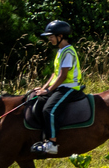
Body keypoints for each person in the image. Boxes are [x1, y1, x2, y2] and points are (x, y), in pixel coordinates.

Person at [26, 19, 82, 157]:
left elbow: (63, 76)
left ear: (60, 36)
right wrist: (43, 88)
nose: (49, 39)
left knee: (49, 110)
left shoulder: (68, 52)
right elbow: (54, 74)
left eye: (51, 36)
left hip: (69, 87)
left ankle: (52, 144)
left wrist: (48, 91)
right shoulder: (60, 51)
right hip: (60, 86)